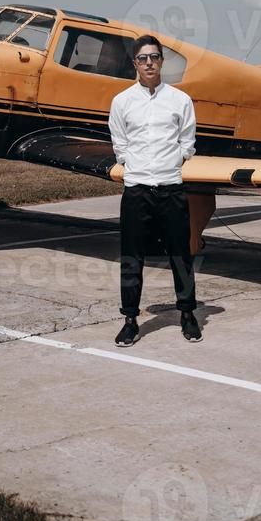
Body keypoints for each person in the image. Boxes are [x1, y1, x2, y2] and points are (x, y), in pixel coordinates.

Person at [108, 34, 201, 346]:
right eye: (143, 58)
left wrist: (173, 161)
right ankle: (131, 320)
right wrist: (133, 165)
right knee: (131, 258)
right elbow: (119, 144)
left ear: (162, 61)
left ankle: (188, 314)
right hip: (136, 192)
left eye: (155, 57)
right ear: (135, 63)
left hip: (171, 190)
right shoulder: (122, 102)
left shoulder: (179, 100)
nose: (149, 63)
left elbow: (187, 143)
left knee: (180, 255)